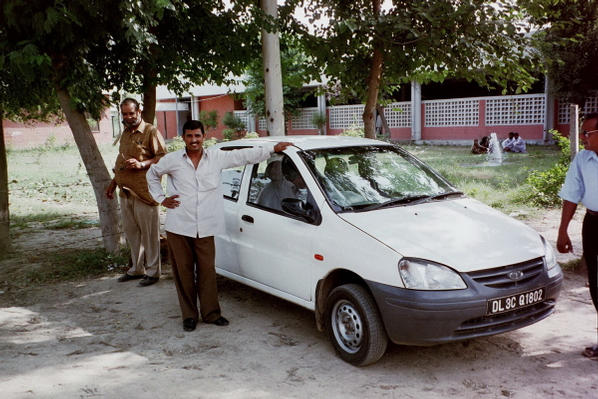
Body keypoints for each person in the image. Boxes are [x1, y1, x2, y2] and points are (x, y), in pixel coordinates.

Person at [146, 120, 292, 332]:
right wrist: (161, 198)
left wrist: (272, 149)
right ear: (184, 138)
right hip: (179, 225)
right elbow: (152, 174)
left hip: (206, 226)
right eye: (189, 136)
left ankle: (211, 314)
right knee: (184, 272)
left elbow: (243, 155)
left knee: (207, 271)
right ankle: (189, 315)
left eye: (197, 135)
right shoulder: (172, 160)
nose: (193, 140)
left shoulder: (216, 158)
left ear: (203, 136)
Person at [106, 98, 166, 287]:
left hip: (144, 192)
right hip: (125, 192)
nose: (128, 117)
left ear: (139, 111)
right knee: (132, 233)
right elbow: (120, 161)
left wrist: (142, 164)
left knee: (149, 235)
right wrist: (113, 183)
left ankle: (153, 272)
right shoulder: (125, 133)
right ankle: (136, 269)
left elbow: (162, 158)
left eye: (131, 113)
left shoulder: (151, 131)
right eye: (124, 114)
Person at [557, 112, 598, 360]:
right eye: (582, 132)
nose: (583, 137)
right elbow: (572, 193)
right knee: (596, 283)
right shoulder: (583, 159)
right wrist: (562, 230)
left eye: (587, 133)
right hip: (593, 222)